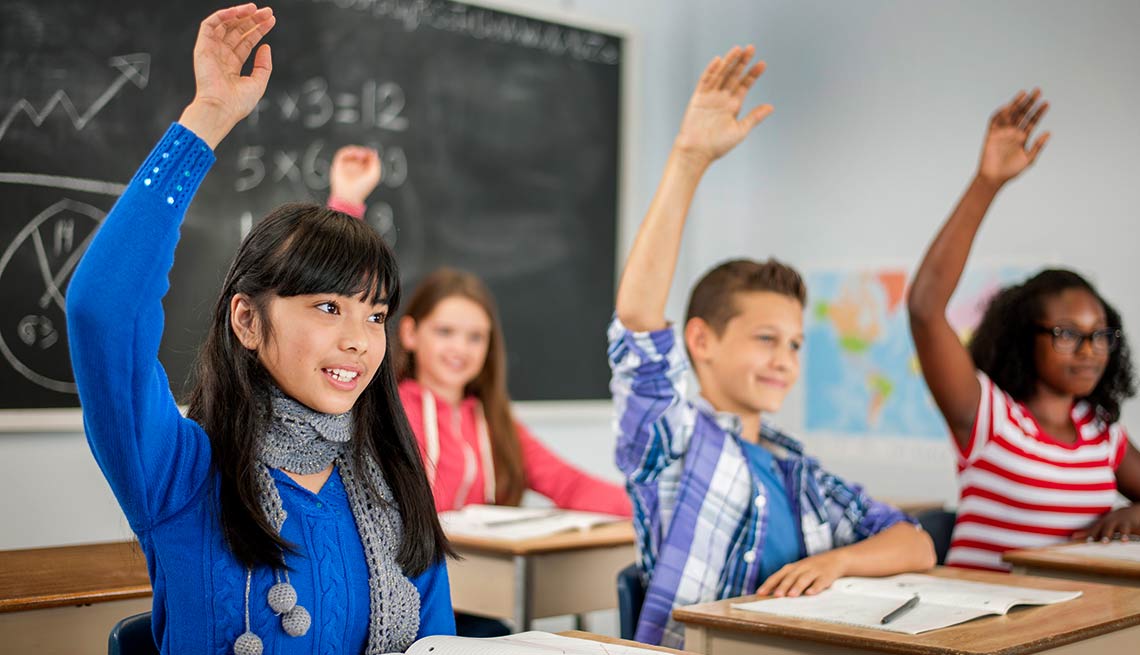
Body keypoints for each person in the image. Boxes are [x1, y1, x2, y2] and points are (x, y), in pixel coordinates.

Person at [66, 5, 454, 652]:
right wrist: (207, 119)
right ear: (246, 320)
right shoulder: (183, 476)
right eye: (330, 308)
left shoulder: (393, 486)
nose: (360, 339)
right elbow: (102, 310)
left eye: (377, 314)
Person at [609, 45, 935, 649]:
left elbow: (915, 540)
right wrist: (689, 160)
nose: (785, 359)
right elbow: (636, 321)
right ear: (701, 340)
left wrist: (836, 564)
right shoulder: (675, 442)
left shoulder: (795, 470)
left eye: (794, 344)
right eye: (765, 339)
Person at [907, 89, 1139, 571]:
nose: (1091, 350)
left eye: (1100, 334)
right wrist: (986, 183)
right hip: (981, 629)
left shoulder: (1102, 434)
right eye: (1068, 334)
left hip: (1067, 631)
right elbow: (926, 308)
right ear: (1023, 338)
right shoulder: (989, 417)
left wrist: (1136, 512)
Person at [395, 268, 632, 518]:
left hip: (482, 556)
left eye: (475, 337)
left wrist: (649, 508)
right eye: (445, 332)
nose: (460, 348)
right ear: (410, 333)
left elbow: (568, 484)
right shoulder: (390, 414)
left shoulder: (495, 423)